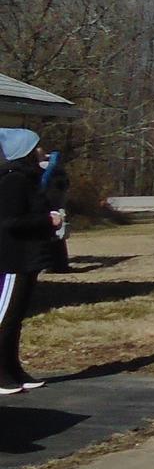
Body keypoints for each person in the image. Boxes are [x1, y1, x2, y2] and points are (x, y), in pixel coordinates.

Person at [0, 126, 59, 394]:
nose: (42, 150)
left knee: (16, 319)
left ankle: (13, 369)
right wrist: (46, 219)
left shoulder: (30, 179)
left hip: (28, 260)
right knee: (5, 318)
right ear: (25, 151)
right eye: (37, 146)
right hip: (12, 260)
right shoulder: (13, 181)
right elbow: (10, 222)